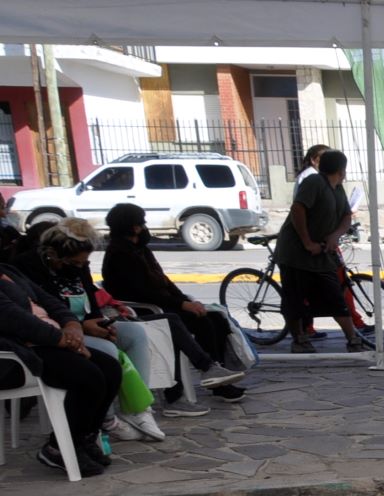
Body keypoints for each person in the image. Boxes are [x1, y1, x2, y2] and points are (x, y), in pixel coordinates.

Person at [17, 217, 242, 438]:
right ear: (54, 255)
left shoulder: (96, 262)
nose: (79, 267)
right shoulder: (27, 268)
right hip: (57, 333)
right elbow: (42, 308)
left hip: (86, 324)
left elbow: (91, 300)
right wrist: (83, 326)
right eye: (74, 263)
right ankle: (107, 418)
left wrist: (100, 323)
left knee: (137, 334)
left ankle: (138, 410)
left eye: (83, 263)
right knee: (109, 350)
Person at [100, 202, 247, 411]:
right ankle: (200, 375)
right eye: (141, 223)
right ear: (133, 226)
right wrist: (181, 304)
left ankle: (218, 379)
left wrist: (186, 301)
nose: (144, 227)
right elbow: (140, 292)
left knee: (214, 319)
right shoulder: (120, 254)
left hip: (164, 303)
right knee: (180, 323)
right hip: (145, 309)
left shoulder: (140, 250)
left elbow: (164, 282)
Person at [0, 264, 122, 477]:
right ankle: (57, 448)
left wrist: (71, 325)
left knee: (110, 368)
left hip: (48, 342)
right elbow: (12, 318)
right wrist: (62, 339)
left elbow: (48, 300)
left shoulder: (9, 271)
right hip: (18, 352)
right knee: (88, 377)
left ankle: (83, 438)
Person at [275, 149, 370, 354]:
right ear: (341, 170)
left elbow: (346, 215)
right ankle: (299, 339)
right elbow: (297, 210)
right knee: (295, 298)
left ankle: (352, 339)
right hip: (296, 253)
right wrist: (307, 241)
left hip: (323, 252)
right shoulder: (314, 183)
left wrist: (335, 235)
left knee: (335, 296)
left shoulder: (337, 188)